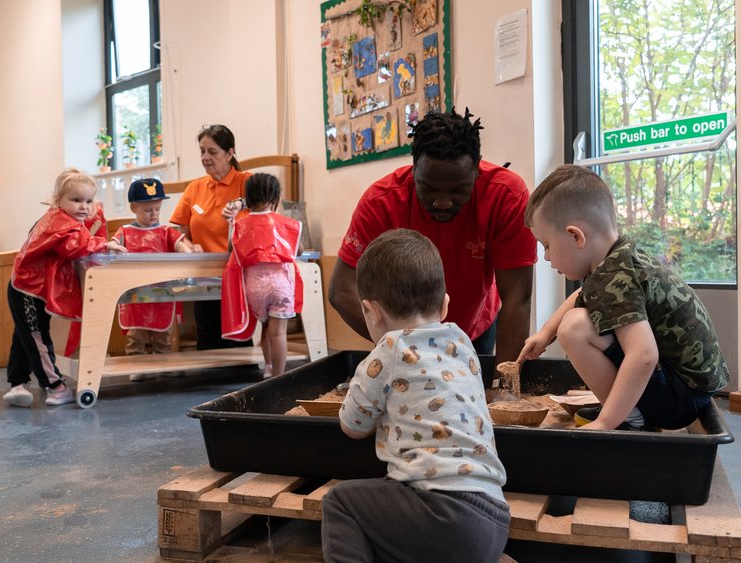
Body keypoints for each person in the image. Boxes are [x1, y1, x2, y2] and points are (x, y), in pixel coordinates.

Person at [321, 228, 510, 563]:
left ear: (371, 311)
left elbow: (352, 426)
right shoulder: (462, 344)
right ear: (445, 304)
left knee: (340, 502)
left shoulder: (390, 348)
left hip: (441, 515)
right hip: (493, 520)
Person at [516, 164, 729, 431]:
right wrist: (546, 333)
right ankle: (627, 409)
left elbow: (644, 355)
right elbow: (583, 294)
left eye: (547, 245)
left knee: (574, 327)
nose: (547, 257)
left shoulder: (615, 275)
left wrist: (605, 423)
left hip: (680, 398)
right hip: (689, 388)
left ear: (575, 236)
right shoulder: (618, 258)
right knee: (576, 320)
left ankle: (630, 419)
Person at [328, 108, 537, 366]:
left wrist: (505, 382)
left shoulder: (506, 196)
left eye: (459, 190)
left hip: (476, 327)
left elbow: (518, 296)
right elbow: (341, 290)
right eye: (429, 189)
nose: (442, 202)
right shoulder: (381, 202)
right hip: (404, 338)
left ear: (476, 171)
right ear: (414, 169)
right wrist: (399, 345)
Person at [3, 168, 124, 407]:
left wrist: (95, 217)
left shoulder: (61, 218)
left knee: (25, 335)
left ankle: (18, 383)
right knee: (36, 337)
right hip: (29, 288)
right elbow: (73, 247)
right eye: (76, 200)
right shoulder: (60, 222)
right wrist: (104, 244)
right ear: (59, 201)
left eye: (88, 201)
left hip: (28, 286)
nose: (84, 207)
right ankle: (55, 386)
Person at [168, 124, 253, 351]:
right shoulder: (194, 188)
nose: (205, 157)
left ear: (230, 153)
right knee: (207, 336)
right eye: (202, 151)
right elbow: (181, 233)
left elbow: (266, 210)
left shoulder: (247, 182)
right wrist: (188, 246)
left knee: (238, 338)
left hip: (238, 273)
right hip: (204, 273)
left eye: (212, 152)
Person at [111, 178, 200, 373]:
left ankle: (164, 366)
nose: (153, 214)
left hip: (161, 294)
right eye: (147, 210)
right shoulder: (125, 232)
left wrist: (190, 252)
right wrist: (113, 248)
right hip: (134, 295)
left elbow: (181, 246)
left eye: (157, 209)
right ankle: (137, 368)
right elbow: (113, 246)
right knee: (136, 336)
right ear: (133, 208)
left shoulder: (165, 231)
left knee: (163, 337)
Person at [221, 173, 304, 378]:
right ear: (276, 199)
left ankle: (267, 367)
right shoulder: (287, 223)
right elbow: (298, 250)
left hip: (254, 287)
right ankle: (278, 378)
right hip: (280, 285)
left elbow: (232, 248)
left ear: (248, 198)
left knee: (266, 327)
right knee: (278, 333)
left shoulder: (240, 225)